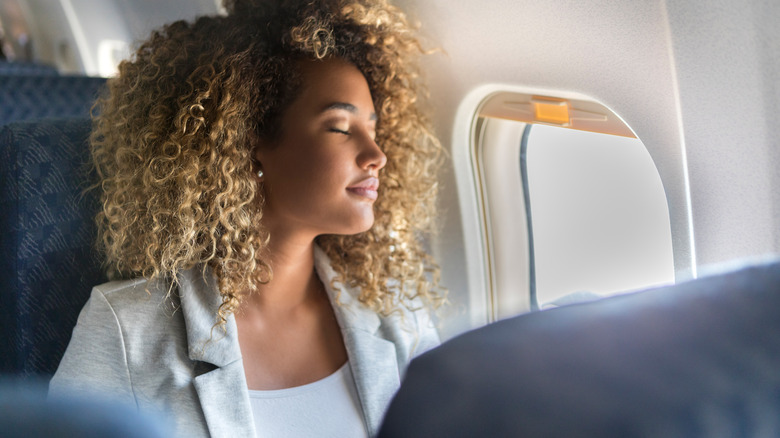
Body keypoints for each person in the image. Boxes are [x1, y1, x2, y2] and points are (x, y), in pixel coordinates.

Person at [48, 0, 445, 437]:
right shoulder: (128, 328)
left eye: (373, 128)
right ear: (249, 142)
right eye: (340, 127)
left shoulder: (396, 309)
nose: (377, 156)